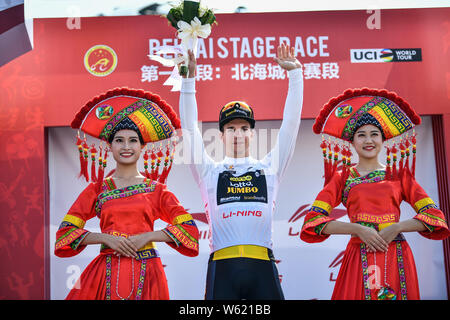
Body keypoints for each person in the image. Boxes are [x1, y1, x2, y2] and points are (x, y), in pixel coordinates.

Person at [179, 44, 303, 299]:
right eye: (231, 129)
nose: (238, 134)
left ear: (251, 133)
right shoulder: (208, 171)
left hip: (262, 266)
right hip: (222, 267)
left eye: (244, 128)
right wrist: (188, 82)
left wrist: (295, 76)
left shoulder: (270, 168)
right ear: (221, 135)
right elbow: (190, 129)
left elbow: (290, 126)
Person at [300, 88, 449, 300]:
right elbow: (313, 221)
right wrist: (357, 229)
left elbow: (435, 217)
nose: (368, 140)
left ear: (383, 140)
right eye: (361, 135)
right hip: (358, 253)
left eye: (374, 134)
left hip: (396, 253)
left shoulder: (399, 175)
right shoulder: (342, 176)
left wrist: (397, 227)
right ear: (352, 142)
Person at [54, 88, 199, 300]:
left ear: (142, 147)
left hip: (148, 270)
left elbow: (189, 231)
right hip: (106, 270)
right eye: (119, 140)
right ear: (110, 147)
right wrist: (105, 238)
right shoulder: (97, 189)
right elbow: (64, 234)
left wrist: (148, 236)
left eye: (133, 141)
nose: (126, 146)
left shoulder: (156, 190)